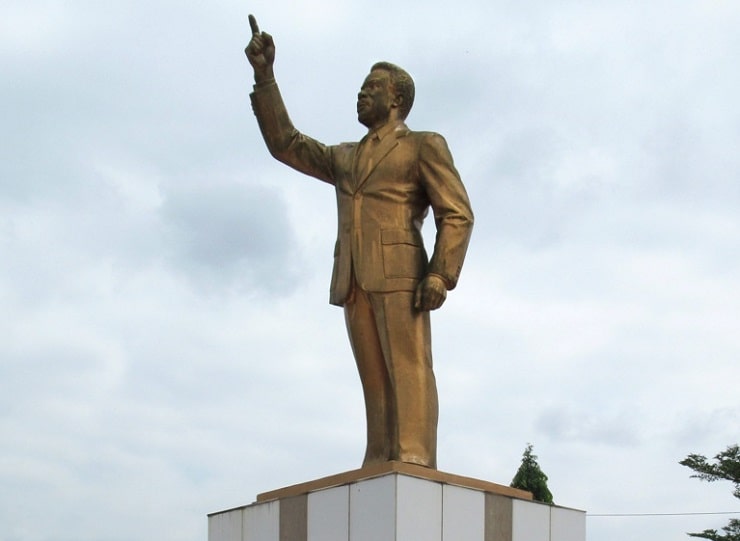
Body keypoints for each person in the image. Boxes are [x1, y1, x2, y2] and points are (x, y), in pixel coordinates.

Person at [245, 15, 473, 469]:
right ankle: (381, 455)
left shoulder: (423, 145)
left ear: (397, 98)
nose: (361, 92)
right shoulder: (344, 156)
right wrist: (265, 77)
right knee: (373, 375)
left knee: (408, 368)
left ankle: (413, 455)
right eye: (361, 86)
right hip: (353, 275)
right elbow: (286, 143)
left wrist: (441, 274)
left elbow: (457, 212)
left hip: (402, 273)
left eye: (372, 87)